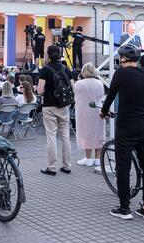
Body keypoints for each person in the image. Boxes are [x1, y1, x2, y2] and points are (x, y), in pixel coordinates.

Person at [100, 44, 144, 220]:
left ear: (123, 59)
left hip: (126, 127)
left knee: (123, 167)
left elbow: (110, 96)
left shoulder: (120, 73)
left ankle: (125, 209)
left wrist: (103, 112)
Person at [36, 45, 72, 176]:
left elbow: (40, 91)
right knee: (65, 136)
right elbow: (72, 87)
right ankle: (67, 166)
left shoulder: (45, 70)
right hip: (64, 106)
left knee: (51, 136)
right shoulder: (65, 68)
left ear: (48, 55)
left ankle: (52, 167)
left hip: (49, 106)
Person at [74, 63, 105, 166]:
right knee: (98, 133)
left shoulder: (79, 84)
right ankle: (97, 158)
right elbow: (101, 95)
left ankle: (87, 158)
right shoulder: (99, 83)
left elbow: (76, 95)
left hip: (83, 112)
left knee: (85, 133)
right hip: (97, 110)